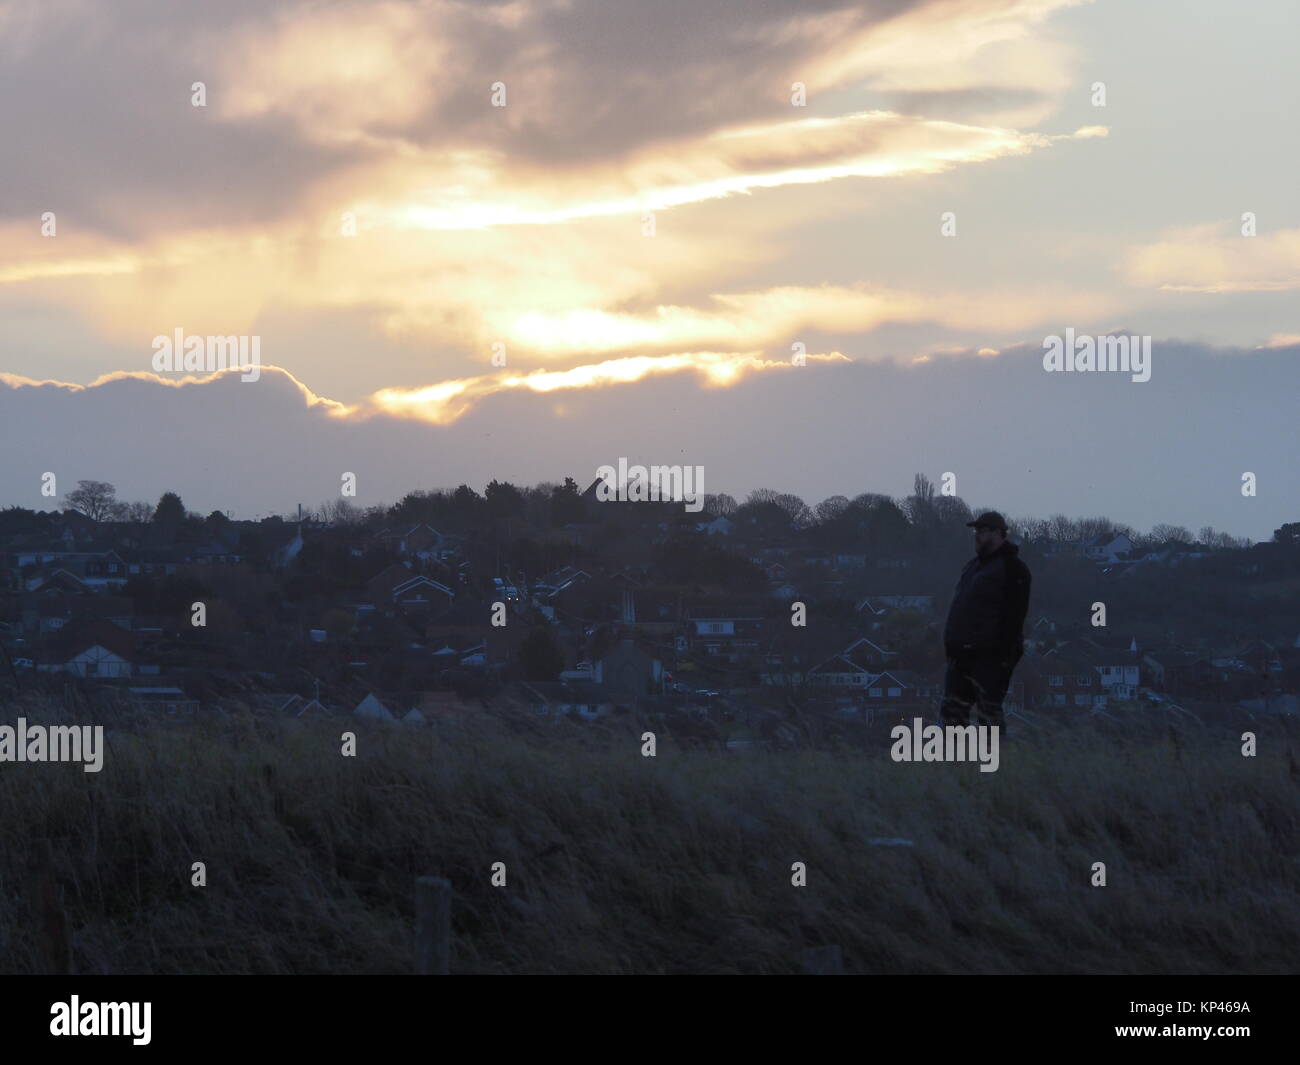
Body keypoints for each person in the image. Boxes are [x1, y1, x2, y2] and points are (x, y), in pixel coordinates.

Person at [940, 511, 1031, 731]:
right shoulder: (973, 567)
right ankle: (956, 763)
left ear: (999, 533)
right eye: (976, 531)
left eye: (982, 531)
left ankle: (994, 762)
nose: (977, 536)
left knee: (988, 715)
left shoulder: (1014, 568)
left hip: (990, 659)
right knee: (952, 714)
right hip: (961, 656)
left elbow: (1015, 617)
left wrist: (1002, 656)